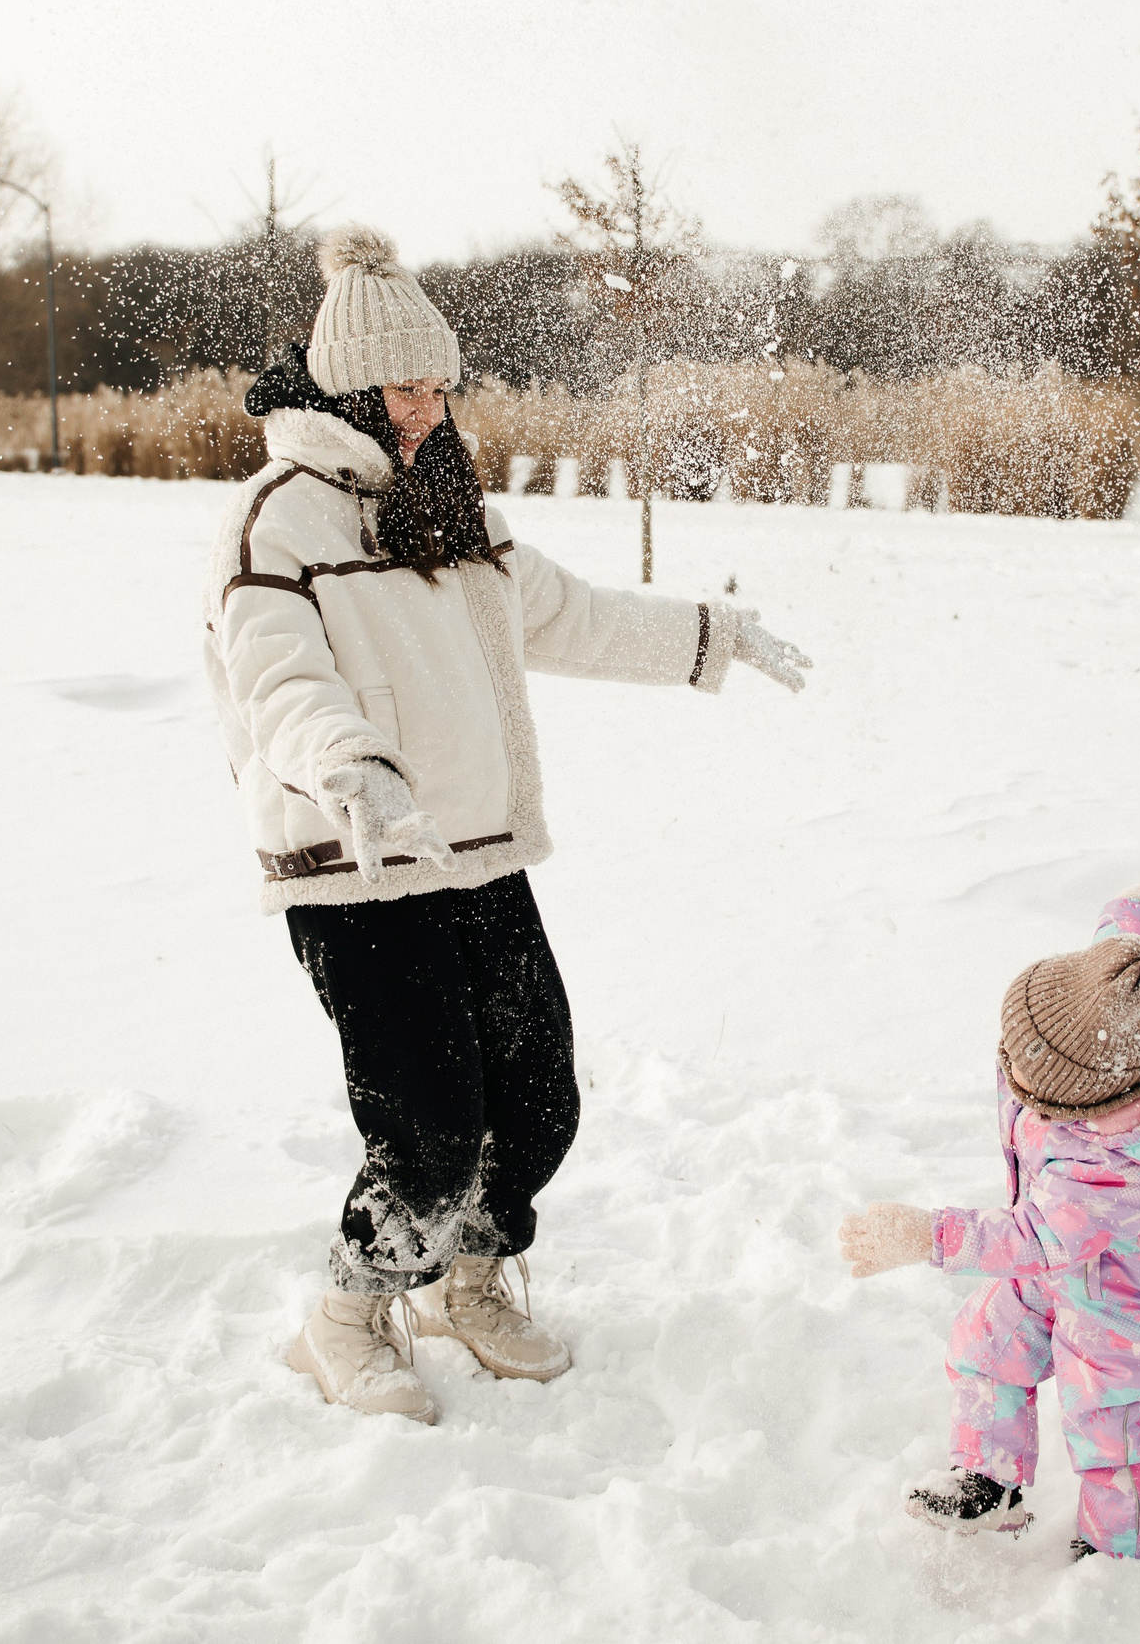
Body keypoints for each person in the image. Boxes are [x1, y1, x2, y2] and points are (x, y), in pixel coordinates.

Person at [204, 223, 813, 1425]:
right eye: (406, 385)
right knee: (426, 1126)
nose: (429, 406)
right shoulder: (278, 518)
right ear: (348, 385)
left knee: (536, 1094)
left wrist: (709, 633)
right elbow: (275, 676)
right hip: (354, 858)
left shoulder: (445, 501)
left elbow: (564, 616)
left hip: (473, 847)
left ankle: (469, 1278)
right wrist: (352, 768)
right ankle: (345, 1313)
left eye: (440, 383)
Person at [838, 866, 1140, 1560]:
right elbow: (1117, 949)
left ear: (1084, 1100)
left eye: (1026, 1077)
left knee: (1113, 1434)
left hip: (1133, 1310)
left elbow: (1034, 1235)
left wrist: (928, 1235)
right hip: (1059, 1274)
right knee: (987, 1345)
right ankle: (992, 1481)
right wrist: (1132, 906)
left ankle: (1118, 1555)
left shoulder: (1122, 1166)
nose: (1009, 1073)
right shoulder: (1124, 1014)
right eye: (1007, 1053)